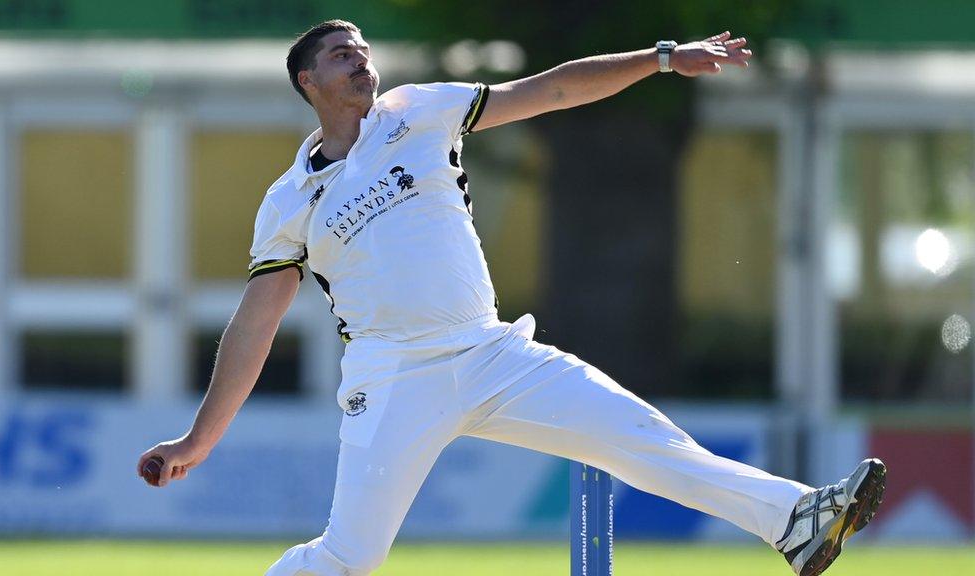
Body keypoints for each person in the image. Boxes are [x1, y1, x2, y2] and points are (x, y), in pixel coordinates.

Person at [137, 19, 886, 576]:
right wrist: (199, 440)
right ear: (308, 82)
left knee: (644, 440)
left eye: (364, 48)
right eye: (340, 54)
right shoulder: (289, 200)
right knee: (348, 558)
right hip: (393, 376)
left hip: (493, 352)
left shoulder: (418, 112)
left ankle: (796, 519)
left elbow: (552, 88)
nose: (360, 59)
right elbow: (255, 324)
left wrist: (660, 59)